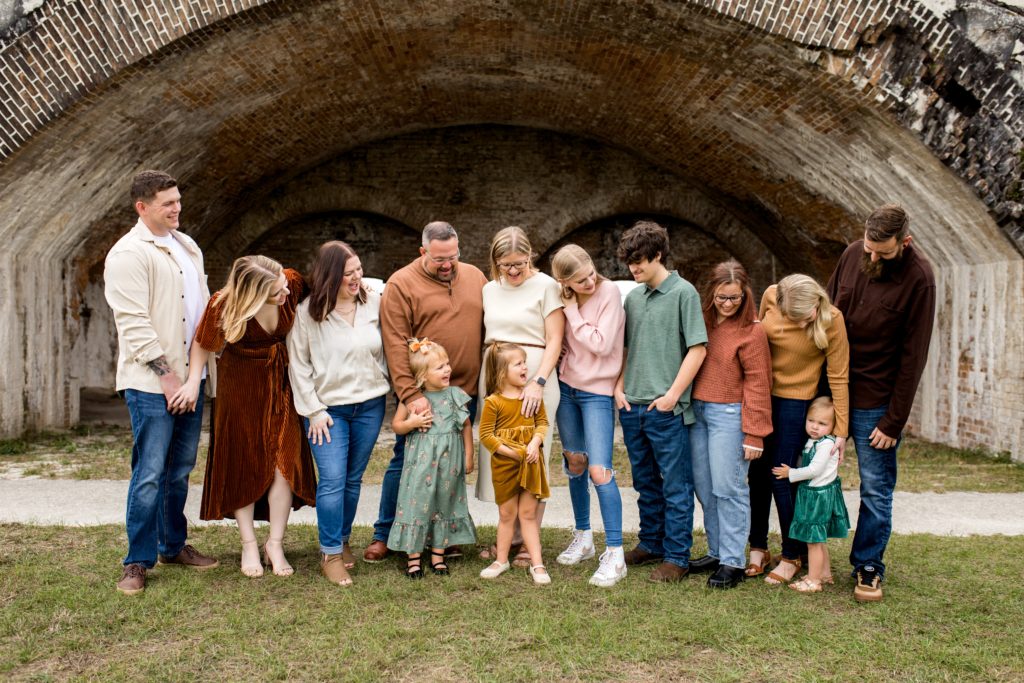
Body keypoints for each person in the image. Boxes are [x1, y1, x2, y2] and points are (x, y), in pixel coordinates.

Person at [103, 170, 218, 594]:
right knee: (149, 472)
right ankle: (136, 561)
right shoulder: (129, 253)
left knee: (179, 471)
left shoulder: (187, 246)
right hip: (153, 385)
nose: (177, 208)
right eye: (168, 203)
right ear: (142, 207)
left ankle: (173, 545)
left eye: (178, 200)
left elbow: (202, 315)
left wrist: (194, 379)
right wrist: (169, 379)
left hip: (190, 381)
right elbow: (133, 324)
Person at [178, 255, 316, 578]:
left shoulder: (290, 283)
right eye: (277, 292)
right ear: (254, 293)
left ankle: (276, 543)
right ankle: (249, 543)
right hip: (238, 388)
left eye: (284, 286)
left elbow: (322, 291)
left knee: (285, 461)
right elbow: (202, 344)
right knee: (243, 461)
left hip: (280, 385)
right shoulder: (223, 305)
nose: (285, 294)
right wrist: (192, 382)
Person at [826, 203, 935, 602]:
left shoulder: (920, 278)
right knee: (811, 474)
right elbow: (828, 309)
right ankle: (803, 554)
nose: (872, 257)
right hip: (833, 390)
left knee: (875, 488)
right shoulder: (854, 252)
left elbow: (914, 357)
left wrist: (893, 421)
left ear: (904, 242)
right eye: (869, 248)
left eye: (883, 252)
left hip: (876, 402)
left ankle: (868, 565)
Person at [364, 222, 488, 563]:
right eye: (439, 260)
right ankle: (386, 533)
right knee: (406, 462)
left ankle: (441, 535)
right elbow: (395, 343)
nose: (448, 265)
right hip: (424, 395)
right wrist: (409, 395)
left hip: (462, 393)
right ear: (423, 252)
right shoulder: (401, 284)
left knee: (447, 469)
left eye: (453, 256)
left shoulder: (476, 277)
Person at [287, 241, 391, 586]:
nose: (357, 278)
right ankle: (330, 552)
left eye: (360, 270)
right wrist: (313, 411)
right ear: (330, 275)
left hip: (370, 405)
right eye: (349, 273)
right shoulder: (307, 313)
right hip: (327, 410)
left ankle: (343, 539)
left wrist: (368, 282)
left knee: (352, 478)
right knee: (331, 478)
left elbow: (391, 286)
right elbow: (299, 366)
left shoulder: (373, 299)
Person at [614, 220, 707, 583]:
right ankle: (651, 542)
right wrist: (619, 387)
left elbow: (697, 349)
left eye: (639, 261)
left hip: (666, 409)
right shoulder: (633, 298)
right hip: (632, 406)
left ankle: (677, 556)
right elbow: (626, 349)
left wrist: (672, 396)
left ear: (657, 255)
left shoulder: (684, 293)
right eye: (629, 263)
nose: (633, 269)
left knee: (675, 486)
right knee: (645, 482)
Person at [750, 274, 849, 586]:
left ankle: (792, 555)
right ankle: (758, 547)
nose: (802, 320)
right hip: (763, 394)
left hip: (796, 402)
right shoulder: (769, 294)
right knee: (757, 472)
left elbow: (839, 376)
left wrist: (842, 431)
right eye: (793, 316)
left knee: (783, 474)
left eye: (804, 315)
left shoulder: (832, 320)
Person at [476, 226, 564, 568]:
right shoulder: (488, 289)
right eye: (504, 264)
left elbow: (555, 338)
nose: (512, 271)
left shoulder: (546, 286)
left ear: (530, 256)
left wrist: (538, 380)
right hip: (496, 375)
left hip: (535, 374)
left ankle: (530, 541)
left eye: (519, 263)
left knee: (532, 456)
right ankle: (509, 535)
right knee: (501, 456)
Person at [689, 260, 773, 589]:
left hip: (729, 415)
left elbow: (758, 383)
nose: (727, 304)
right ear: (711, 294)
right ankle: (716, 550)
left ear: (745, 295)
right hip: (698, 413)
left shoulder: (752, 331)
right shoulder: (702, 323)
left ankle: (734, 561)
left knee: (729, 489)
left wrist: (755, 433)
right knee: (706, 489)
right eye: (722, 297)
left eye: (734, 298)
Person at [549, 244, 628, 587]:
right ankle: (583, 536)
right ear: (563, 281)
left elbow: (601, 344)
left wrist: (573, 312)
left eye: (591, 273)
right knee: (575, 462)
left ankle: (615, 553)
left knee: (600, 469)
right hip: (567, 388)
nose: (590, 282)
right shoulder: (559, 295)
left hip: (597, 392)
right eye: (580, 281)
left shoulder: (608, 292)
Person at [387, 339, 477, 578]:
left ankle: (438, 555)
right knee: (415, 503)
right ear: (423, 377)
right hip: (420, 465)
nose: (447, 369)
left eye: (447, 364)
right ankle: (413, 558)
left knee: (444, 504)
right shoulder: (414, 400)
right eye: (439, 367)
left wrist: (469, 455)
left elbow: (466, 426)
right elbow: (396, 425)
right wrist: (412, 422)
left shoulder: (455, 395)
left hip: (449, 464)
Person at [478, 342, 552, 585]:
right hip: (505, 466)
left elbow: (542, 423)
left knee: (528, 513)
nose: (525, 367)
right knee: (506, 513)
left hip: (531, 464)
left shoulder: (531, 397)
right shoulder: (493, 402)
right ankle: (501, 559)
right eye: (518, 363)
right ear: (501, 372)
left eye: (525, 362)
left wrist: (534, 444)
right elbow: (486, 435)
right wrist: (512, 453)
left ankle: (537, 563)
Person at [772, 396, 850, 593]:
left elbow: (814, 470)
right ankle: (824, 574)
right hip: (813, 494)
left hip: (817, 497)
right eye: (811, 421)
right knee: (818, 538)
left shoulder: (826, 444)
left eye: (822, 423)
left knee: (813, 541)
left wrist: (791, 473)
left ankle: (813, 581)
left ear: (833, 426)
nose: (815, 427)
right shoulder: (815, 440)